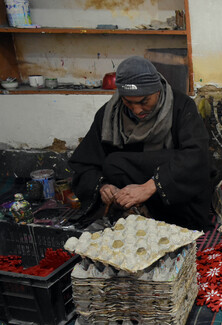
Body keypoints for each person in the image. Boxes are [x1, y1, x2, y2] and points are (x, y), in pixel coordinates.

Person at [69, 56, 212, 230]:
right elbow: (84, 163)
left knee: (174, 163)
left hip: (176, 203)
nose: (137, 110)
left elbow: (196, 157)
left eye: (144, 101)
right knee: (114, 164)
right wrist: (102, 187)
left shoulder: (182, 107)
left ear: (158, 90)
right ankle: (136, 214)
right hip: (129, 203)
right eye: (128, 102)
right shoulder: (109, 114)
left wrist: (151, 186)